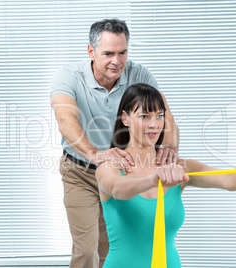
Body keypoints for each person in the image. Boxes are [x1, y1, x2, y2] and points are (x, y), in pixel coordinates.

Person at [95, 83, 236, 268]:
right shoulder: (110, 167)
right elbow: (117, 189)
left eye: (159, 116)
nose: (154, 124)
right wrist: (152, 180)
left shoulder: (178, 167)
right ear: (125, 118)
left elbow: (227, 180)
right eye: (144, 116)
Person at [50, 19, 179, 267]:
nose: (117, 61)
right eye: (108, 53)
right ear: (91, 51)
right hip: (80, 171)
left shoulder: (139, 74)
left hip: (123, 168)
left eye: (122, 53)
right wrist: (95, 154)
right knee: (86, 248)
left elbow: (165, 113)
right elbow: (65, 118)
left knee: (110, 247)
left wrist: (170, 149)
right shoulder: (68, 76)